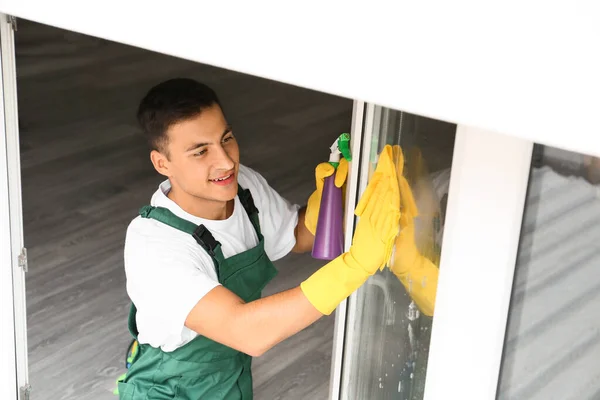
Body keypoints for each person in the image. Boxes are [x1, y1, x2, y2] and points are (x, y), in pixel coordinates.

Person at [117, 78, 401, 400]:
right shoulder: (155, 245)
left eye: (227, 139)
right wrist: (356, 265)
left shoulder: (243, 188)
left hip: (231, 373)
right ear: (162, 163)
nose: (225, 161)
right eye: (200, 152)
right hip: (170, 388)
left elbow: (296, 235)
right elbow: (245, 331)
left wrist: (331, 199)